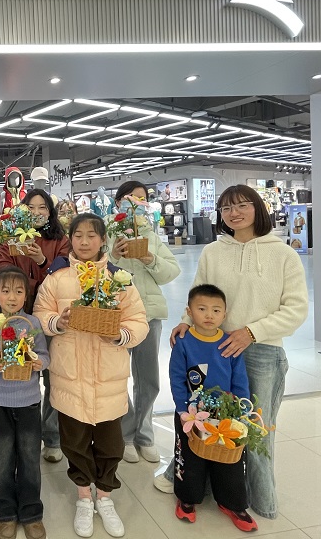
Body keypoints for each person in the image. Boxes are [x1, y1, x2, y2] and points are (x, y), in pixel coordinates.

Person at [158, 184, 308, 521]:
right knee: (205, 415)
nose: (233, 213)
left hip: (263, 350)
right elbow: (199, 294)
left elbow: (296, 309)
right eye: (226, 208)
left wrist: (252, 332)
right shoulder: (213, 251)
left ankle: (261, 498)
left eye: (241, 205)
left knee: (254, 426)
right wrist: (186, 321)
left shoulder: (282, 253)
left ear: (258, 208)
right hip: (215, 348)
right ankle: (195, 483)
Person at [33, 213, 148, 539]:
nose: (84, 242)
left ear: (103, 240)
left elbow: (138, 321)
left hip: (107, 377)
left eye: (91, 235)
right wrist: (58, 322)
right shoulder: (57, 277)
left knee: (111, 444)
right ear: (70, 239)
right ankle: (84, 497)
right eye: (78, 235)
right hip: (69, 375)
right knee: (75, 442)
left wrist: (120, 336)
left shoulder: (119, 278)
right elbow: (40, 314)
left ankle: (105, 497)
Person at [170, 284, 257, 532]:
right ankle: (187, 499)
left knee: (230, 460)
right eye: (202, 309)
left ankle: (233, 504)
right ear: (189, 311)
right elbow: (177, 378)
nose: (209, 315)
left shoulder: (230, 343)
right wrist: (182, 410)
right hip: (190, 414)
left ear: (224, 314)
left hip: (226, 414)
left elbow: (240, 380)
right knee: (190, 458)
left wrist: (242, 412)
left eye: (216, 310)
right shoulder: (184, 342)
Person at [107, 181, 180, 465]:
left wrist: (149, 258)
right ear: (118, 202)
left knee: (148, 378)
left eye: (142, 199)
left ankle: (145, 434)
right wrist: (114, 255)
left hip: (149, 315)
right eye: (130, 198)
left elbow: (171, 272)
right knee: (117, 376)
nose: (136, 203)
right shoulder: (107, 231)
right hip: (117, 316)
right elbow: (93, 269)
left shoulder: (151, 235)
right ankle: (125, 434)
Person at [0, 188, 69, 463]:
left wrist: (41, 261)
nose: (37, 212)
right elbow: (3, 270)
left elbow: (63, 276)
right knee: (19, 372)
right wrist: (24, 288)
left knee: (50, 375)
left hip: (49, 317)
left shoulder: (60, 240)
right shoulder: (11, 237)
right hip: (18, 316)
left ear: (50, 212)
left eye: (43, 208)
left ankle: (52, 436)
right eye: (31, 207)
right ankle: (23, 435)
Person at [0, 266, 50, 539]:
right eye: (6, 291)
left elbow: (44, 356)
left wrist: (40, 362)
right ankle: (6, 512)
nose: (12, 297)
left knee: (30, 458)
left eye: (19, 291)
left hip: (29, 402)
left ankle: (31, 512)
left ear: (26, 296)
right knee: (2, 460)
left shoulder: (32, 324)